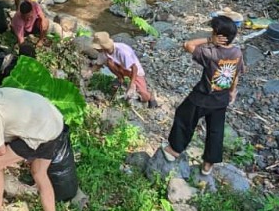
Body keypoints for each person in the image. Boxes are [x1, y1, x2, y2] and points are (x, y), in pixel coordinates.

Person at [159, 15, 243, 176]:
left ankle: (175, 150)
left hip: (202, 96)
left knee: (184, 116)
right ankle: (208, 165)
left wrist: (209, 40)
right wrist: (232, 92)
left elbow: (187, 45)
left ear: (218, 35)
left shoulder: (211, 52)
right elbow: (235, 74)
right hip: (221, 98)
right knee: (216, 130)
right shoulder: (237, 52)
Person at [92, 31, 158, 108]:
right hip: (122, 70)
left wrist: (132, 84)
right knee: (109, 61)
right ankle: (120, 79)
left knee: (143, 96)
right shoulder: (103, 53)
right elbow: (98, 65)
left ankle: (150, 96)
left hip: (134, 72)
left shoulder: (121, 51)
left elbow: (134, 68)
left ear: (103, 47)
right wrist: (89, 72)